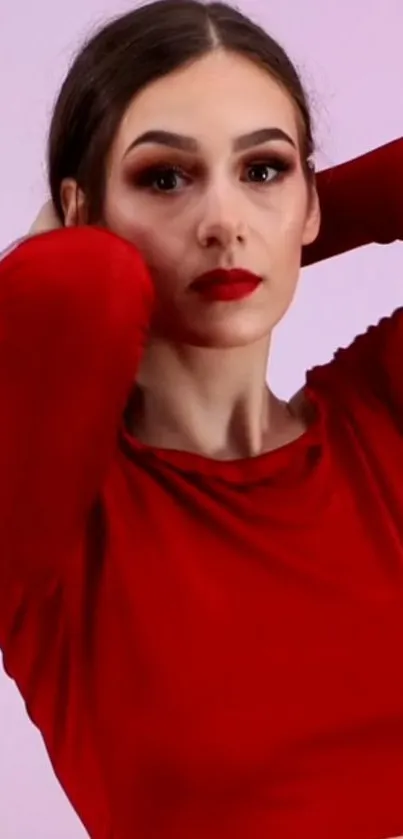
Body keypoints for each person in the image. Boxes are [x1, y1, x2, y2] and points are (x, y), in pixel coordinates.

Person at [0, 1, 402, 838]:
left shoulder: (382, 421)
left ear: (310, 196)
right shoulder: (49, 518)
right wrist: (106, 254)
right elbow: (77, 292)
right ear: (80, 213)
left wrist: (290, 238)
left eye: (263, 170)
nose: (223, 222)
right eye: (163, 178)